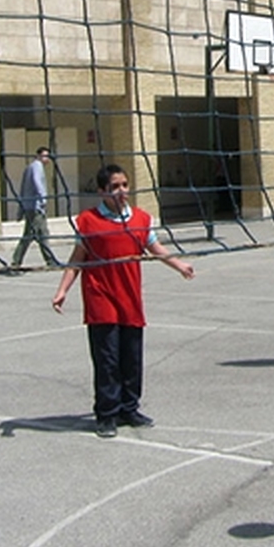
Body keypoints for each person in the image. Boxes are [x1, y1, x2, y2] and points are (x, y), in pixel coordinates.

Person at [52, 164, 195, 438]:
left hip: (130, 297)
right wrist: (62, 290)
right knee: (107, 360)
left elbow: (156, 249)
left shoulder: (140, 219)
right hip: (100, 298)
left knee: (131, 358)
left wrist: (179, 265)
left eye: (125, 185)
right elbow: (76, 260)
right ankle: (106, 414)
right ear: (102, 191)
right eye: (115, 186)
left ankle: (129, 408)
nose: (122, 191)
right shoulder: (88, 222)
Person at [11, 147, 58, 269]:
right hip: (35, 207)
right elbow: (37, 182)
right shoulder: (37, 167)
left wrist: (21, 209)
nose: (46, 159)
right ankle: (50, 261)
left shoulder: (29, 167)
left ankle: (16, 261)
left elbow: (22, 188)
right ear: (38, 156)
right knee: (42, 234)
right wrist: (43, 199)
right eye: (44, 156)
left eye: (47, 156)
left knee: (30, 235)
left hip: (29, 207)